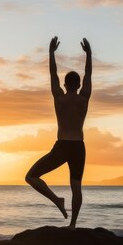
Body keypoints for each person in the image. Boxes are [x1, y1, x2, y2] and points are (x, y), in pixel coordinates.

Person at [25, 36, 92, 228]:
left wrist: (51, 53)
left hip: (62, 146)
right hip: (78, 146)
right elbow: (88, 74)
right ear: (79, 85)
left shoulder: (59, 99)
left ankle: (57, 201)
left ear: (64, 85)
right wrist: (89, 54)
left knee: (31, 177)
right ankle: (73, 225)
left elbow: (52, 73)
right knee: (76, 188)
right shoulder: (83, 99)